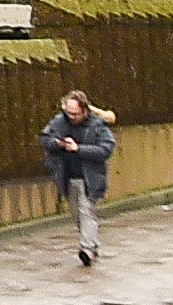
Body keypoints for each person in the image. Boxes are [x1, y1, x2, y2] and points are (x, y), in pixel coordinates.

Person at [40, 89, 116, 269]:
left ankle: (87, 249)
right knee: (77, 213)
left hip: (89, 179)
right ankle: (91, 245)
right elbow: (44, 139)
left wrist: (79, 149)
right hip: (67, 177)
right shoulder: (59, 122)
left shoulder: (97, 126)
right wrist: (58, 143)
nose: (72, 117)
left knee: (86, 210)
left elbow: (106, 149)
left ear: (85, 111)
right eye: (69, 113)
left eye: (75, 113)